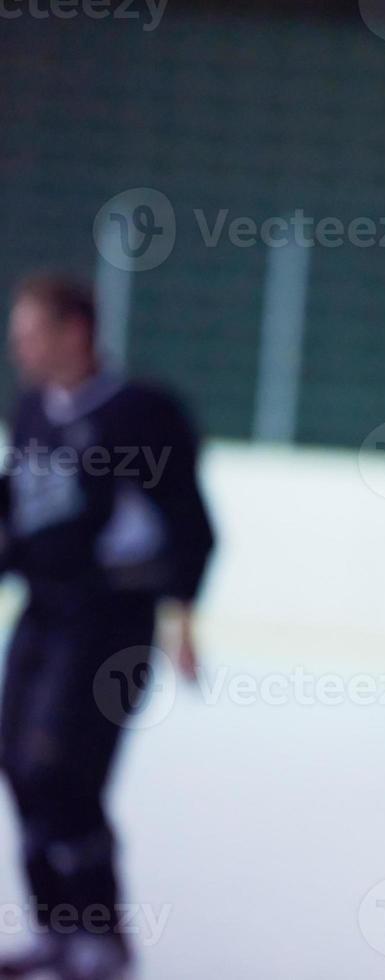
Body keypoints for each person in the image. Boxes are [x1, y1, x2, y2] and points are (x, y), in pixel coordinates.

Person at [0, 275, 214, 979]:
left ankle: (103, 932)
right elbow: (24, 507)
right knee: (18, 765)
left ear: (76, 332)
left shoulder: (142, 413)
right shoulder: (33, 409)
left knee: (65, 769)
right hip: (43, 612)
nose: (18, 346)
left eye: (31, 331)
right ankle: (58, 928)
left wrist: (182, 616)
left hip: (111, 620)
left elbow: (188, 523)